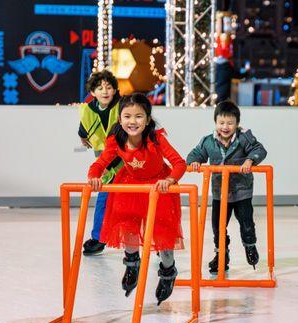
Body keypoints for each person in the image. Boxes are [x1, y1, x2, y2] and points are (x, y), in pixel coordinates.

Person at [87, 93, 186, 305]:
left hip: (157, 188)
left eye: (139, 116)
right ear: (120, 119)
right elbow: (100, 163)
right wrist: (94, 176)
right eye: (128, 116)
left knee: (162, 238)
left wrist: (169, 180)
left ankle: (168, 272)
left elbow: (179, 163)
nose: (133, 122)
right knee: (128, 229)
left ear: (148, 119)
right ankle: (132, 264)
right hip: (130, 187)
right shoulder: (116, 140)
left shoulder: (156, 139)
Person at [186, 100, 267, 275]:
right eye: (221, 122)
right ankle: (222, 255)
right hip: (219, 193)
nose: (225, 127)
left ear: (237, 124)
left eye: (230, 123)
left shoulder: (244, 137)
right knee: (218, 226)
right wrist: (194, 161)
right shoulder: (208, 141)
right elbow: (196, 153)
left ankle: (250, 246)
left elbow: (259, 149)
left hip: (241, 190)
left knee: (246, 222)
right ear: (216, 122)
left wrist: (250, 159)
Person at [78, 70, 122, 256]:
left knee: (141, 201)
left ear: (114, 90)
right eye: (99, 88)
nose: (105, 91)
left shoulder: (123, 106)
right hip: (105, 166)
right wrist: (82, 136)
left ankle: (157, 241)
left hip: (128, 162)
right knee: (103, 200)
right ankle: (98, 238)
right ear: (93, 92)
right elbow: (83, 130)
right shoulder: (88, 110)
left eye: (109, 87)